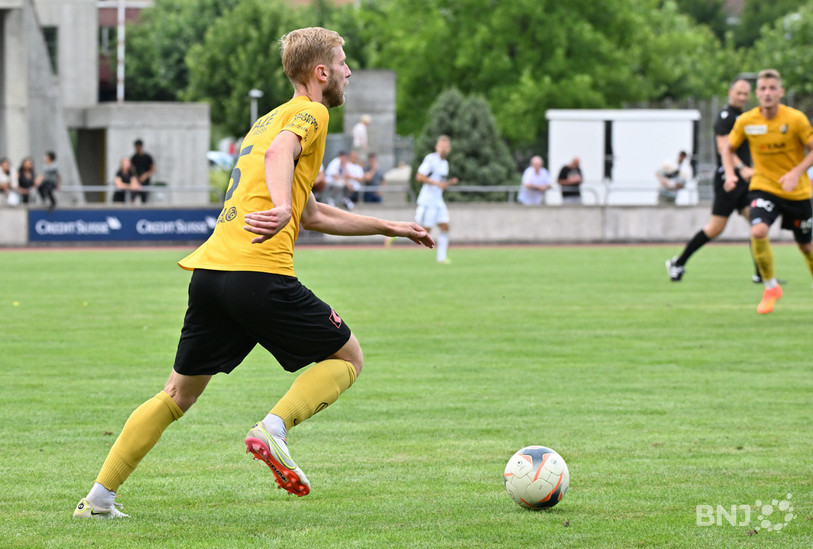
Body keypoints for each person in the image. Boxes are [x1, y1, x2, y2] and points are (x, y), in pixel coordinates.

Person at [73, 26, 434, 520]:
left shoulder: (265, 120)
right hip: (258, 274)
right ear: (321, 72)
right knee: (348, 357)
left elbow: (313, 214)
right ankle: (274, 428)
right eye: (344, 63)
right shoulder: (313, 111)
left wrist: (385, 225)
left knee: (176, 394)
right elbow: (284, 161)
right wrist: (284, 206)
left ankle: (99, 498)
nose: (349, 72)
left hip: (211, 274)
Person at [722, 69, 813, 314]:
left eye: (772, 88)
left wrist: (796, 173)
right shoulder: (747, 121)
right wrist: (733, 172)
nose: (767, 93)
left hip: (797, 192)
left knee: (806, 247)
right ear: (757, 93)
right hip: (764, 188)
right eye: (762, 89)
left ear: (781, 92)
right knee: (758, 230)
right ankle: (771, 287)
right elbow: (727, 148)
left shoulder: (795, 119)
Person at [667, 78, 759, 282]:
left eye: (746, 94)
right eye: (739, 93)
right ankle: (678, 262)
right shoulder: (726, 117)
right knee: (715, 228)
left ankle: (761, 273)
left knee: (757, 223)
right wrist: (742, 168)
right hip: (728, 180)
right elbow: (723, 148)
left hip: (744, 182)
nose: (742, 97)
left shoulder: (744, 116)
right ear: (730, 92)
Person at [415, 135, 459, 264]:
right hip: (427, 201)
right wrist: (436, 183)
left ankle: (441, 257)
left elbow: (441, 183)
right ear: (436, 147)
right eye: (441, 146)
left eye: (446, 147)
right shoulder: (430, 159)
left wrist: (449, 183)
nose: (443, 149)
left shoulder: (445, 163)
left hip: (438, 201)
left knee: (445, 227)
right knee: (424, 231)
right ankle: (397, 234)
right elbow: (419, 177)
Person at [131, 139, 155, 204]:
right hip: (137, 182)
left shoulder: (148, 157)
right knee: (132, 197)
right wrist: (136, 178)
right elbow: (132, 169)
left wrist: (145, 176)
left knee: (144, 200)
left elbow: (152, 169)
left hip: (146, 182)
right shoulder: (134, 157)